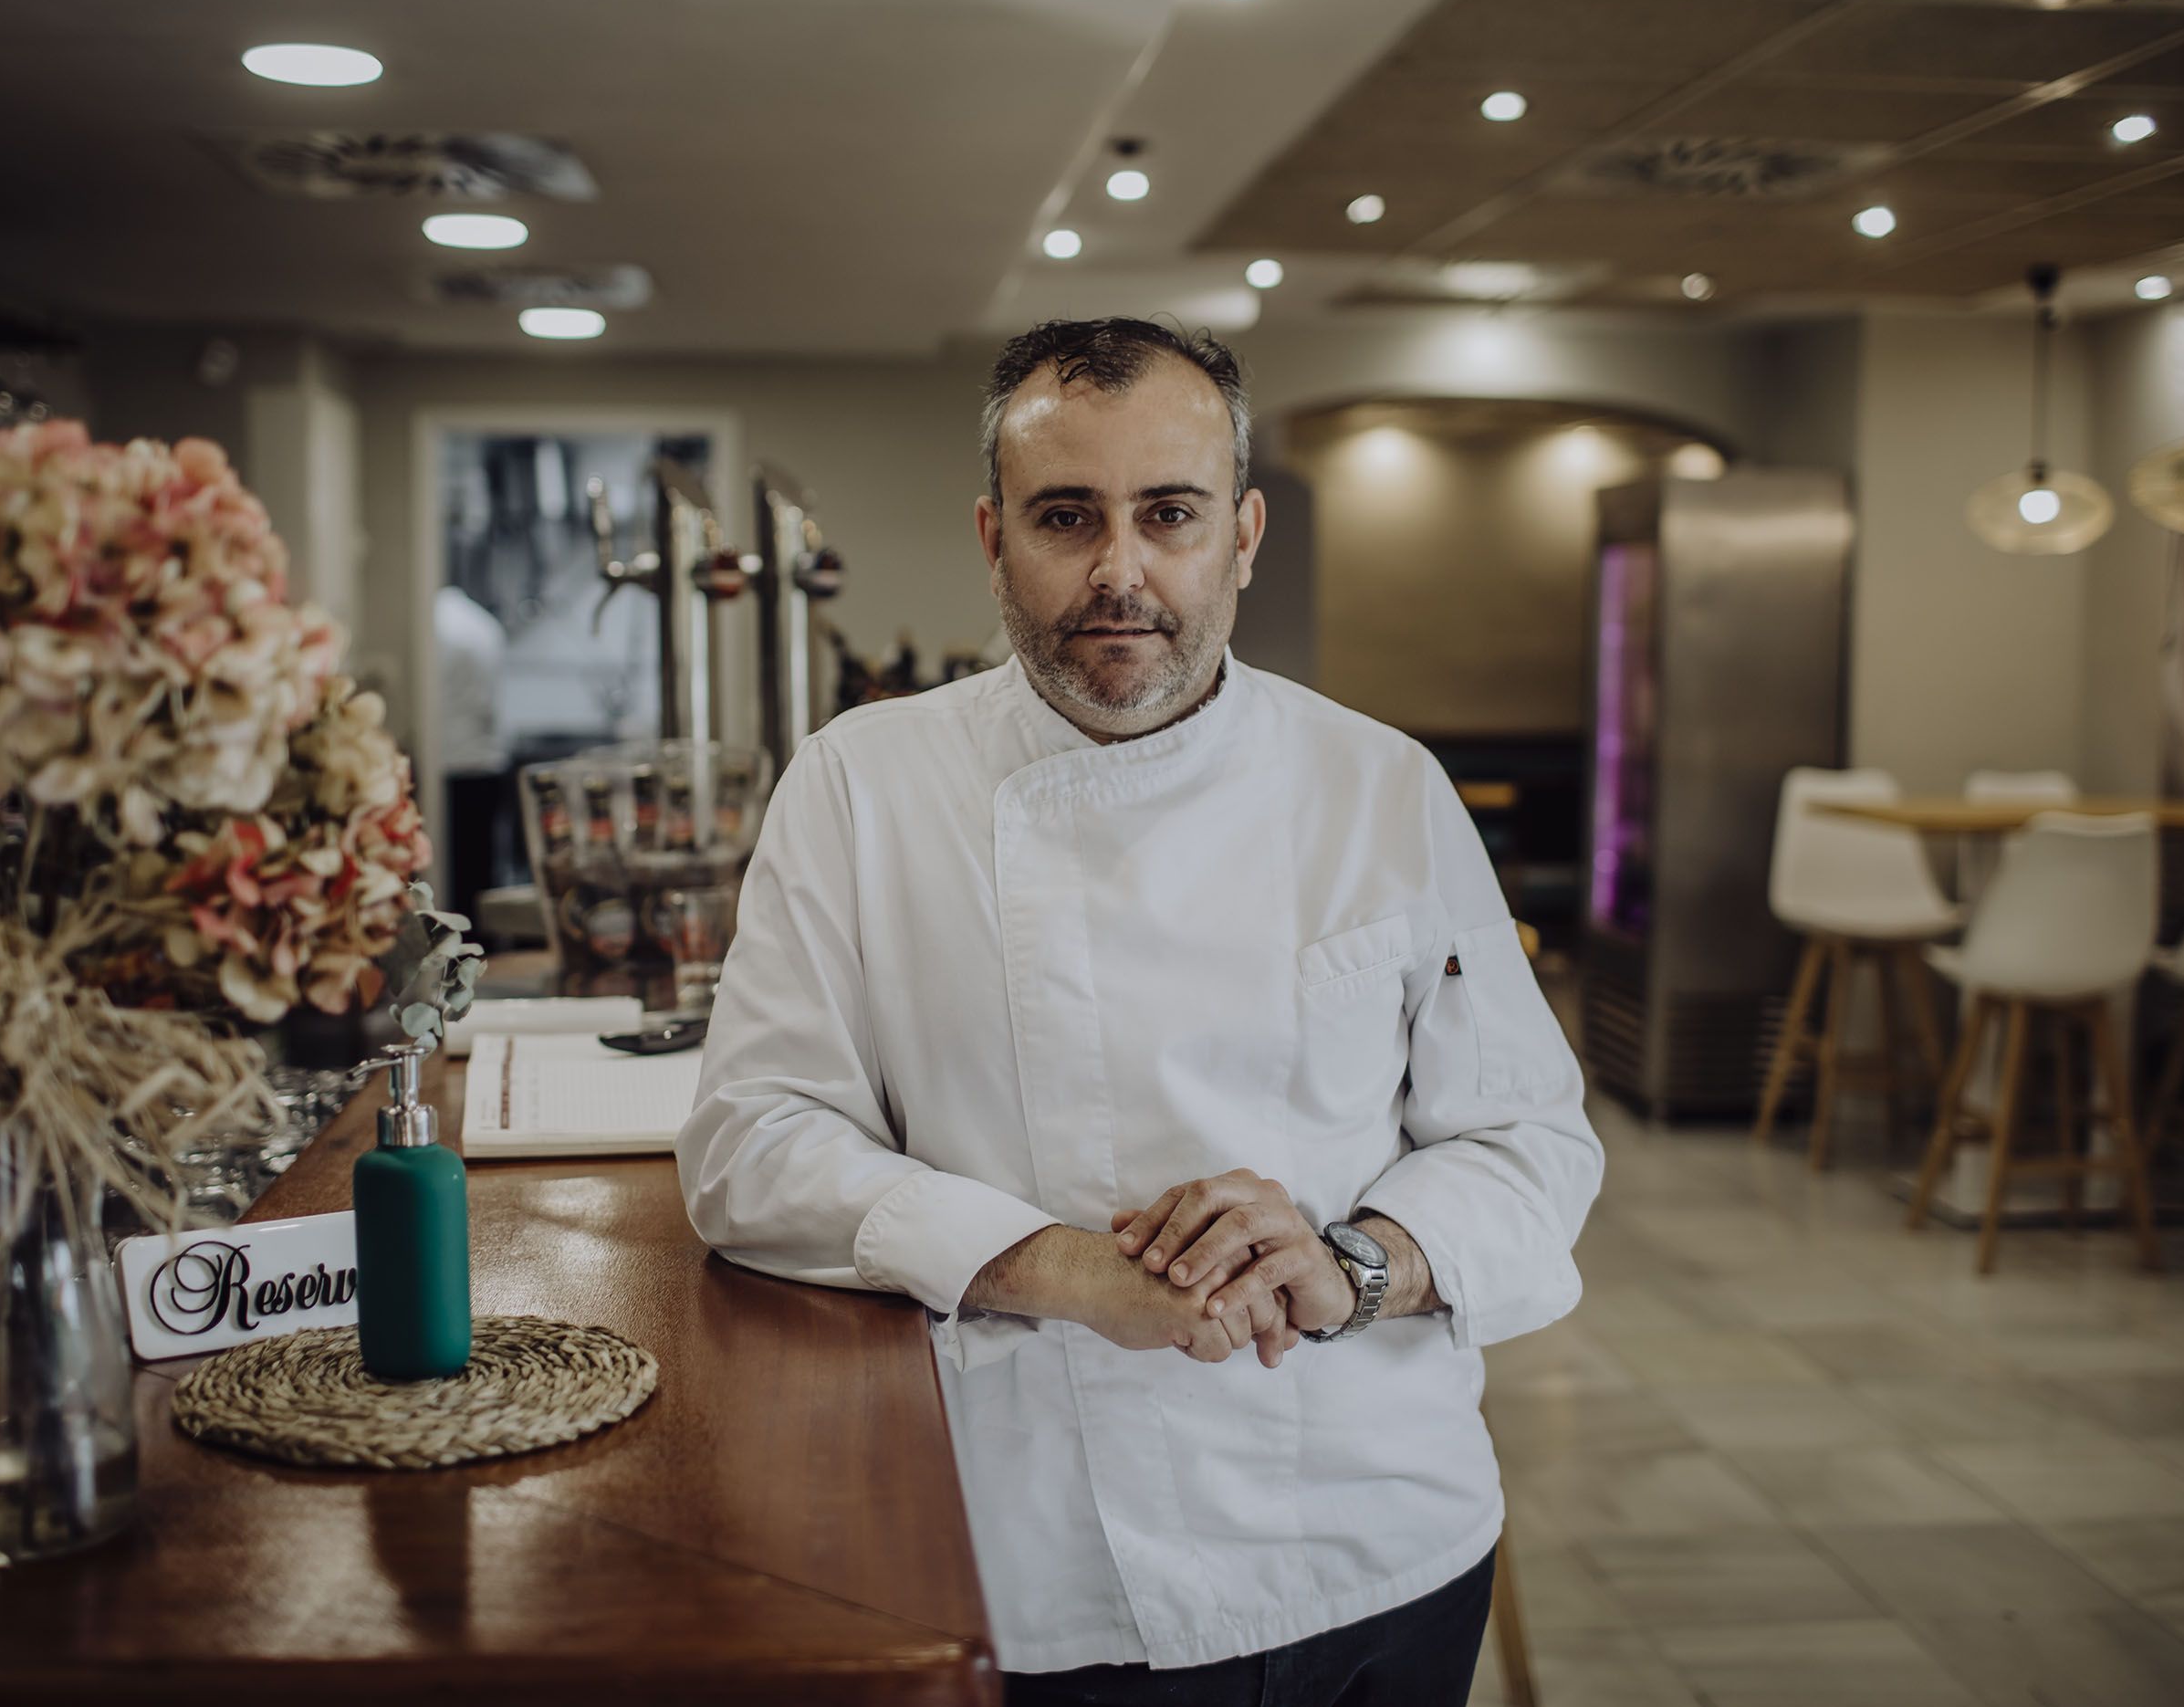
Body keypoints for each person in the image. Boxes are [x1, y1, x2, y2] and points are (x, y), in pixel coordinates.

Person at [676, 318, 1603, 1705]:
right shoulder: (862, 784)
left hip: (1375, 1535)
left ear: (1242, 534)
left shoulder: (1380, 786)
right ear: (994, 539)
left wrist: (1353, 1261)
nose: (1120, 571)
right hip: (1036, 1557)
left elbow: (1533, 1144)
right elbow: (752, 1144)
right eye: (1068, 517)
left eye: (1169, 513)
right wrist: (1056, 1266)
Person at [432, 581, 509, 924]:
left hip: (453, 767)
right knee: (479, 875)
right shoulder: (483, 624)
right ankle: (481, 957)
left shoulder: (437, 625)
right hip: (485, 763)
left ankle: (457, 962)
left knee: (453, 882)